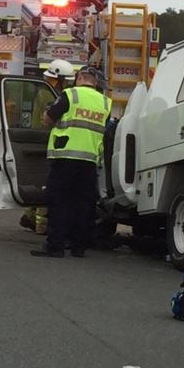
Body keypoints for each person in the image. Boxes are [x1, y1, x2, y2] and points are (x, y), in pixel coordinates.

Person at [31, 65, 111, 258]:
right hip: (89, 160)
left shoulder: (70, 95)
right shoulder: (105, 102)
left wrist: (46, 117)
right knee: (84, 203)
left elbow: (48, 119)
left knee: (58, 200)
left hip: (66, 156)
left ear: (79, 78)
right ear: (96, 82)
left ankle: (55, 246)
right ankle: (79, 247)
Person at [21, 59, 76, 233]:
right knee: (47, 184)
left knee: (43, 182)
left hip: (48, 141)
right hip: (51, 142)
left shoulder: (49, 93)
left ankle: (29, 216)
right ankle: (41, 224)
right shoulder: (51, 95)